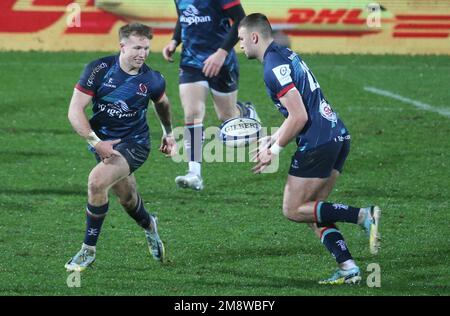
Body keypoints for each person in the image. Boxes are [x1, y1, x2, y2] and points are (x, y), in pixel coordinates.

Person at [238, 14, 381, 285]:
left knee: (293, 210)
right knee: (315, 211)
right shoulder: (285, 54)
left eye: (242, 40)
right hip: (337, 135)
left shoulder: (271, 67)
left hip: (317, 143)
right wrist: (274, 135)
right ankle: (348, 267)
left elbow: (299, 117)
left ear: (254, 37)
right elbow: (301, 109)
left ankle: (363, 215)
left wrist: (275, 149)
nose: (240, 46)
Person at [65, 23, 176, 272]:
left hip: (135, 144)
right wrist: (96, 143)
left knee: (96, 182)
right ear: (122, 46)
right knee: (127, 199)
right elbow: (74, 111)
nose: (143, 54)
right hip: (103, 144)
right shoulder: (99, 70)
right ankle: (150, 225)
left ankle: (88, 251)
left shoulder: (152, 79)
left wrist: (169, 134)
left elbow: (163, 104)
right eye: (137, 47)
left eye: (146, 48)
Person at [162, 0, 259, 191]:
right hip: (191, 61)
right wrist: (175, 40)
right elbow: (185, 17)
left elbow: (241, 20)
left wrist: (222, 52)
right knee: (192, 113)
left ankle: (246, 111)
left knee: (227, 116)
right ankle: (194, 173)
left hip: (221, 61)